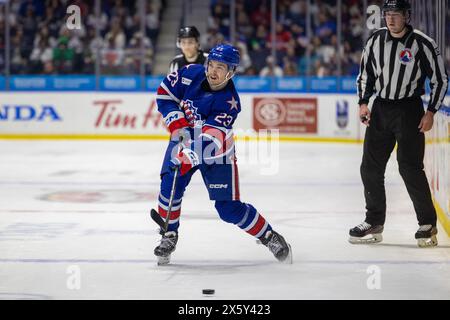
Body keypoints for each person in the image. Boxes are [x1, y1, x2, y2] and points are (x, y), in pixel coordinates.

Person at [152, 44, 293, 264]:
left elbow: (211, 138)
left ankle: (269, 235)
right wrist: (179, 126)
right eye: (211, 65)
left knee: (228, 209)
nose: (213, 71)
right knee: (170, 185)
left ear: (231, 72)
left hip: (217, 152)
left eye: (221, 67)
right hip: (184, 136)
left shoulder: (230, 102)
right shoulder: (190, 73)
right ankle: (169, 235)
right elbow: (165, 94)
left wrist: (188, 154)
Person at [350, 0, 448, 247]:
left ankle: (427, 224)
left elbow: (439, 80)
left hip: (409, 110)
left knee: (409, 167)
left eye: (396, 14)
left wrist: (431, 111)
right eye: (387, 14)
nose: (390, 19)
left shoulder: (423, 43)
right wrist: (364, 103)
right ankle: (374, 221)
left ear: (407, 16)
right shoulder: (374, 41)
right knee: (369, 167)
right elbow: (365, 75)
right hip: (381, 109)